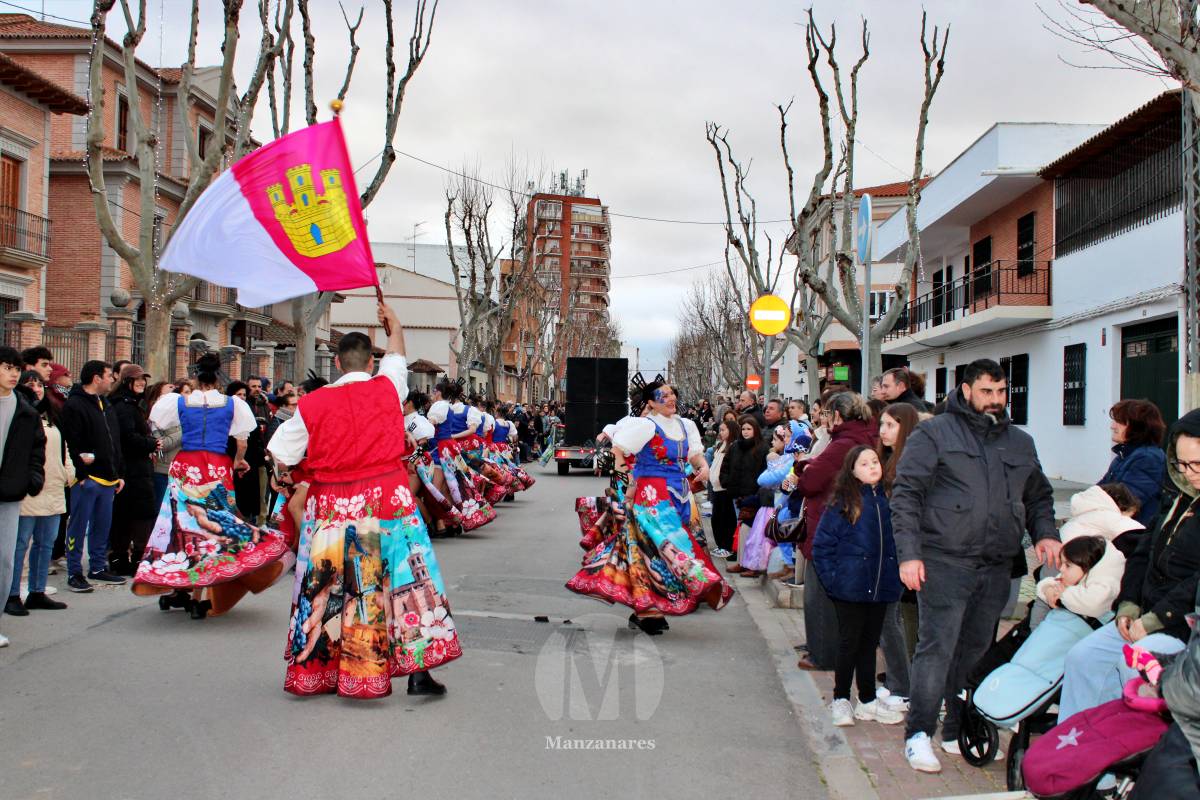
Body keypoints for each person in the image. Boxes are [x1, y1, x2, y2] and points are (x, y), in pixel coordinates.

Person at [270, 304, 460, 699]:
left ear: (337, 362)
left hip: (332, 506)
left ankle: (322, 669)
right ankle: (418, 673)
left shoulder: (312, 404)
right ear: (369, 362)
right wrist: (396, 324)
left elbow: (282, 451)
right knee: (405, 582)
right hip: (387, 499)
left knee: (328, 587)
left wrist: (282, 473)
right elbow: (397, 357)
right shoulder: (388, 386)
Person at [890, 358, 1059, 774]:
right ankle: (918, 733)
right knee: (937, 648)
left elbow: (1039, 495)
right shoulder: (934, 433)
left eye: (1001, 392)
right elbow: (907, 494)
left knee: (977, 650)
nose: (995, 400)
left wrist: (1046, 532)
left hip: (997, 563)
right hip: (944, 560)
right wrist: (909, 554)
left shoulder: (1020, 442)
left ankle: (958, 728)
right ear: (966, 391)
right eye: (987, 392)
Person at [1057, 408, 1200, 725]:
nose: (1189, 473)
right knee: (1083, 657)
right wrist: (1129, 604)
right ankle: (1076, 750)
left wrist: (1153, 620)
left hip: (1181, 627)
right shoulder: (1175, 498)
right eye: (1181, 463)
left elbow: (1194, 584)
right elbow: (1142, 552)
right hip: (1142, 616)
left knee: (1133, 666)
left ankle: (1125, 755)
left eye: (1197, 464)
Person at [567, 380, 732, 634]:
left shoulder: (686, 425)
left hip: (681, 496)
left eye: (672, 394)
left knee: (664, 554)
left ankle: (647, 609)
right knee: (653, 552)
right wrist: (630, 481)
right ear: (651, 402)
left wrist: (704, 467)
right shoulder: (645, 425)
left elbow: (694, 455)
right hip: (652, 497)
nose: (670, 398)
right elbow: (618, 452)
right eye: (662, 395)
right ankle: (647, 611)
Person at [135, 353, 288, 620]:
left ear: (196, 375)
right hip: (216, 467)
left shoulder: (178, 401)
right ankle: (199, 595)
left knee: (181, 525)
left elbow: (157, 425)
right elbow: (241, 442)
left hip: (186, 466)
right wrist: (239, 462)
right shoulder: (232, 404)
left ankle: (178, 586)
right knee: (215, 528)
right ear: (219, 376)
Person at [783, 391, 878, 672]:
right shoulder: (866, 437)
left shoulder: (843, 445)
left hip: (829, 527)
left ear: (837, 415)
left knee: (820, 596)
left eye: (826, 413)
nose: (823, 419)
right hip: (857, 527)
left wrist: (804, 468)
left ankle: (823, 654)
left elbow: (812, 481)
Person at [812, 445, 905, 727]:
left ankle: (866, 699)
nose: (872, 467)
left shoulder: (890, 500)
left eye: (874, 461)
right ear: (852, 470)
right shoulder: (843, 502)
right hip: (849, 587)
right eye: (864, 464)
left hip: (881, 587)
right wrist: (835, 580)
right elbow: (822, 547)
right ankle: (841, 698)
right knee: (849, 642)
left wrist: (895, 578)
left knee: (869, 644)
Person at [58, 359, 126, 593]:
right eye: (109, 375)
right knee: (78, 526)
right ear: (96, 378)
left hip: (109, 478)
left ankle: (97, 567)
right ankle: (74, 572)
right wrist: (81, 473)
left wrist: (119, 473)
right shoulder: (75, 405)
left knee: (102, 526)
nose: (112, 379)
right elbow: (71, 441)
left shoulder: (105, 403)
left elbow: (114, 441)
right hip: (87, 479)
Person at [7, 373, 69, 615]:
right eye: (31, 384)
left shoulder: (52, 415)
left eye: (40, 384)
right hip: (29, 489)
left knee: (46, 543)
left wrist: (68, 474)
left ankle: (37, 591)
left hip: (54, 487)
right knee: (20, 544)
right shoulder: (19, 414)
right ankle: (11, 594)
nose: (37, 388)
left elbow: (65, 448)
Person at [876, 401, 922, 707]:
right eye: (881, 424)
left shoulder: (910, 464)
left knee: (892, 621)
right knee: (889, 621)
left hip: (900, 554)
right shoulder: (886, 459)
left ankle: (902, 685)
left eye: (890, 425)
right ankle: (900, 680)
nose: (883, 431)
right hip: (886, 552)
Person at [0, 360, 49, 632]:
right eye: (7, 368)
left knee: (5, 560)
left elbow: (36, 449)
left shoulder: (25, 411)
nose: (13, 374)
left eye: (16, 369)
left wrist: (32, 479)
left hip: (9, 493)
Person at [107, 364, 160, 577]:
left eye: (143, 380)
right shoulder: (124, 406)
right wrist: (151, 444)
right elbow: (127, 438)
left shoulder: (131, 404)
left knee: (132, 515)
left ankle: (133, 557)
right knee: (135, 516)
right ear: (127, 382)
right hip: (131, 469)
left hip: (136, 468)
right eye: (137, 379)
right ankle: (131, 558)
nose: (141, 383)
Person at [1099, 399, 1168, 527]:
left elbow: (1126, 502)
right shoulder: (1124, 455)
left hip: (1134, 535)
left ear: (1138, 427)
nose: (1113, 426)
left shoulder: (1148, 458)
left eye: (1120, 422)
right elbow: (1100, 489)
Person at [1035, 534, 1125, 621]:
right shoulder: (1074, 577)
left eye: (1067, 565)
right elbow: (1051, 582)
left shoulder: (1106, 585)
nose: (1061, 569)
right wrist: (1047, 589)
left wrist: (1063, 594)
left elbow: (1094, 604)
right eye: (1062, 563)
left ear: (1086, 566)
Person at [722, 415, 770, 574]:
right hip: (737, 495)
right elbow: (726, 466)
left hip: (753, 497)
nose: (745, 432)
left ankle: (752, 565)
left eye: (749, 429)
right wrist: (726, 482)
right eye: (743, 429)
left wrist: (757, 494)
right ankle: (741, 561)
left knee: (753, 532)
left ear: (755, 430)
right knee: (741, 530)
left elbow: (765, 472)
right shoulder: (735, 446)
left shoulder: (762, 448)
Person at [225, 381, 266, 523]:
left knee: (250, 500)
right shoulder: (226, 416)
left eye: (243, 394)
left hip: (250, 464)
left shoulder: (248, 412)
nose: (241, 397)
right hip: (233, 462)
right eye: (238, 394)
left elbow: (255, 440)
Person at [146, 381, 182, 511]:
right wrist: (185, 431)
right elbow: (160, 443)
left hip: (180, 470)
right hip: (163, 469)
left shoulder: (181, 414)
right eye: (170, 388)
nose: (174, 391)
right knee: (162, 510)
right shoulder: (154, 418)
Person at [707, 419, 737, 558]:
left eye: (724, 429)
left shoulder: (733, 446)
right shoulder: (720, 445)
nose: (721, 432)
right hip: (716, 487)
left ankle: (726, 546)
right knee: (716, 519)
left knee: (725, 520)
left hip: (725, 489)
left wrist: (724, 481)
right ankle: (720, 545)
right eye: (720, 429)